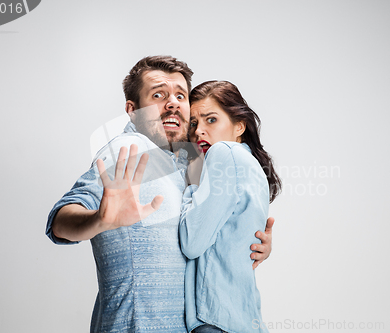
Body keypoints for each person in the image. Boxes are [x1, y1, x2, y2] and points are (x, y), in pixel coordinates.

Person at [45, 56, 274, 333]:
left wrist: (250, 241)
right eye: (158, 95)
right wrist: (98, 220)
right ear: (132, 110)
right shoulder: (127, 149)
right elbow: (60, 220)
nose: (173, 102)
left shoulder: (189, 155)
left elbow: (227, 204)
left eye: (180, 95)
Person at [179, 81, 282, 333]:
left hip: (216, 321)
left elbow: (191, 243)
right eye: (193, 123)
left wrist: (191, 183)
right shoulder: (248, 163)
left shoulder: (224, 153)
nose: (199, 131)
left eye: (210, 120)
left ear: (239, 125)